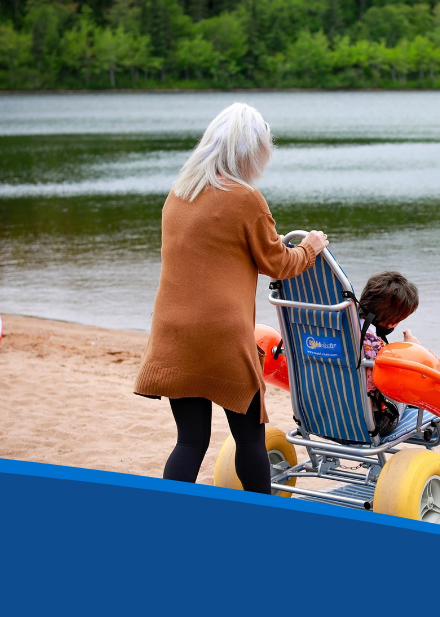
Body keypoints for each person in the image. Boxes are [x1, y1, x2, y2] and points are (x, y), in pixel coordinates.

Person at [134, 102, 328, 492]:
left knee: (190, 441)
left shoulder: (179, 194)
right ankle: (261, 515)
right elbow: (277, 263)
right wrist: (311, 247)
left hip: (172, 331)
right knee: (249, 438)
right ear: (250, 150)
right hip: (221, 336)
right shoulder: (245, 198)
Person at [357, 271, 420, 438]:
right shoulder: (372, 343)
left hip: (324, 415)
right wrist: (412, 349)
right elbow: (395, 382)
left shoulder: (337, 329)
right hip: (371, 422)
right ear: (390, 319)